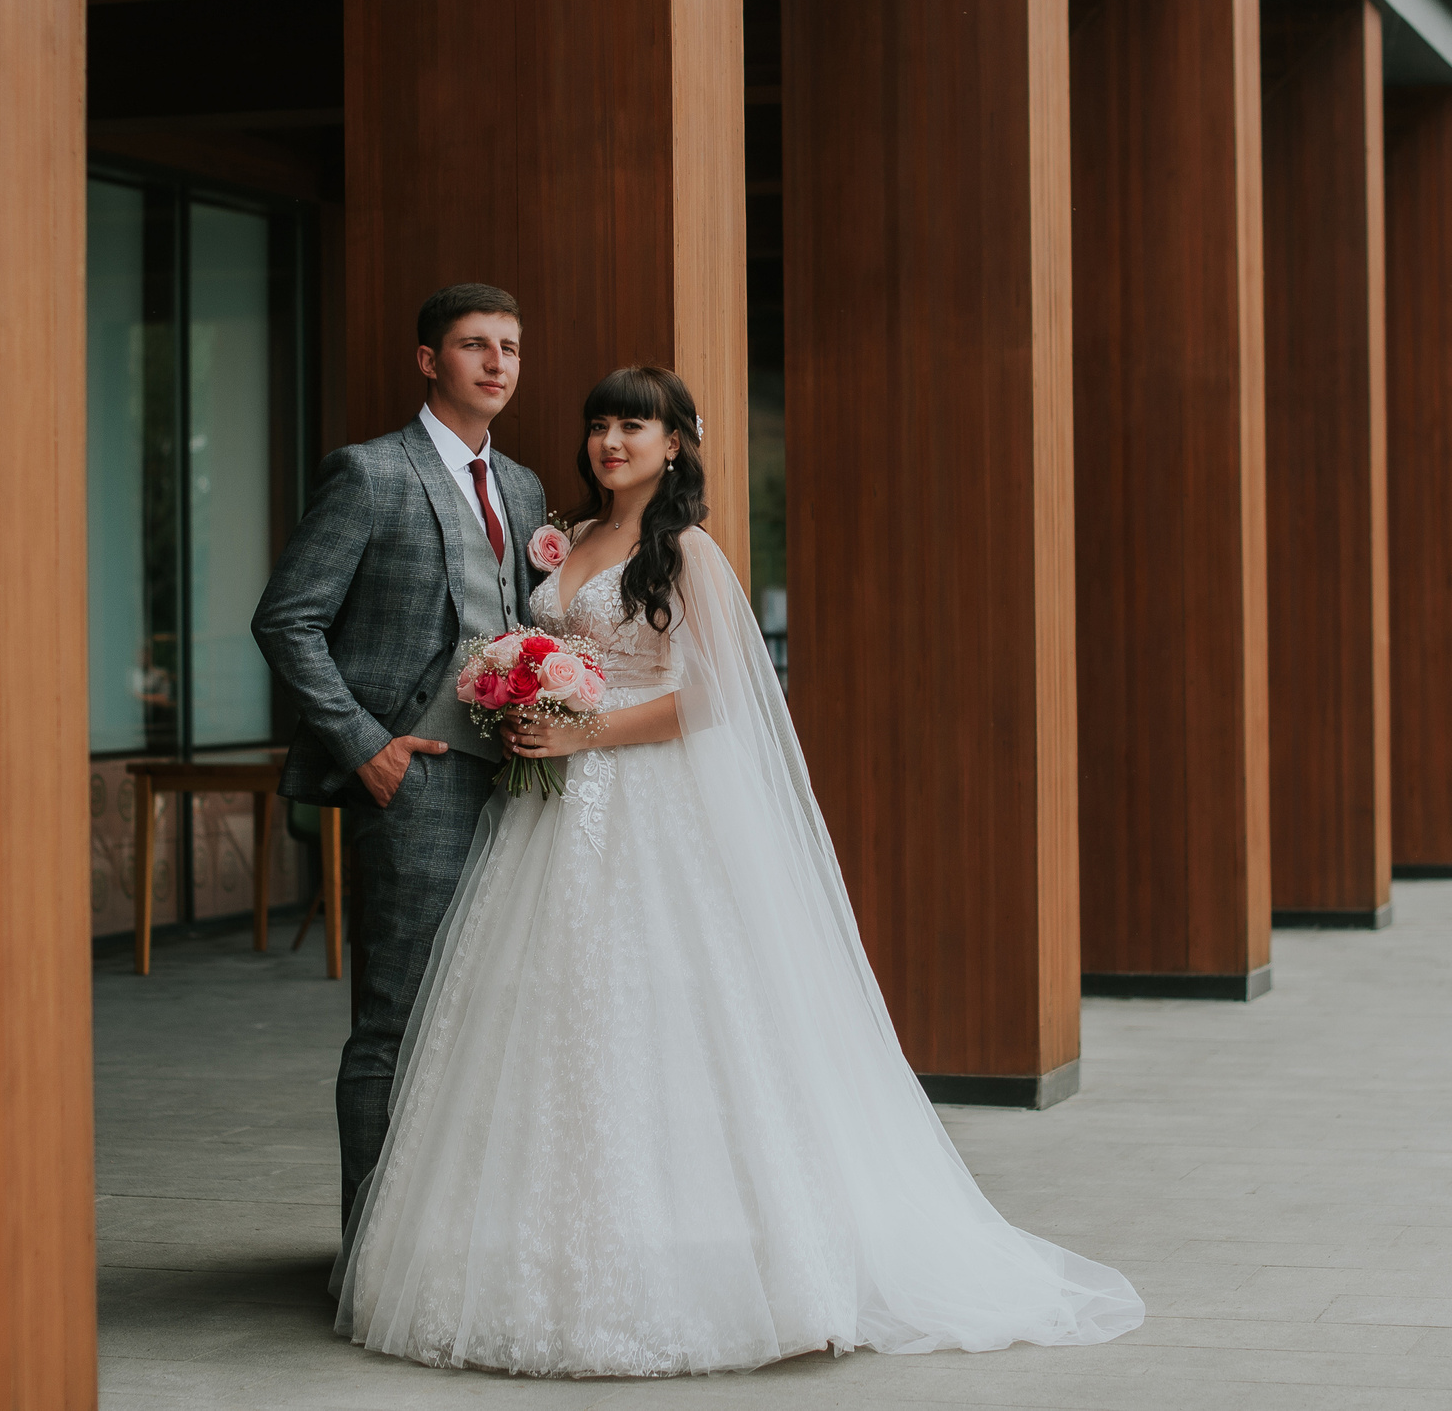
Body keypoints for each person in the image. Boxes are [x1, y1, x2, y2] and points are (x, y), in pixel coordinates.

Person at [333, 366, 1143, 1376]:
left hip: (645, 803)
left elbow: (714, 699)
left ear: (673, 442)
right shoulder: (563, 537)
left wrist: (583, 732)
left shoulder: (686, 551)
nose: (610, 441)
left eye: (634, 425)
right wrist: (518, 698)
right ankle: (541, 1249)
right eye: (599, 424)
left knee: (662, 1014)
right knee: (549, 1013)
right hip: (546, 815)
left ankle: (709, 1255)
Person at [252, 283, 549, 1237]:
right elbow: (287, 620)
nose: (497, 363)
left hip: (517, 789)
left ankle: (451, 1243)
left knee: (488, 1019)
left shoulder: (525, 488)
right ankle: (370, 1256)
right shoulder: (370, 473)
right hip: (415, 782)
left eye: (510, 347)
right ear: (429, 360)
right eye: (474, 345)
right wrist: (367, 747)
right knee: (396, 1020)